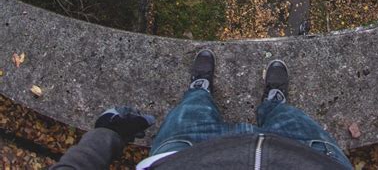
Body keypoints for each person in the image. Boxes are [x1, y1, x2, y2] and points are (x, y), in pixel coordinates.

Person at [51, 51, 353, 169]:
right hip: (306, 153)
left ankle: (200, 90)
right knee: (289, 117)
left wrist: (108, 134)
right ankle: (273, 104)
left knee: (193, 107)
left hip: (186, 153)